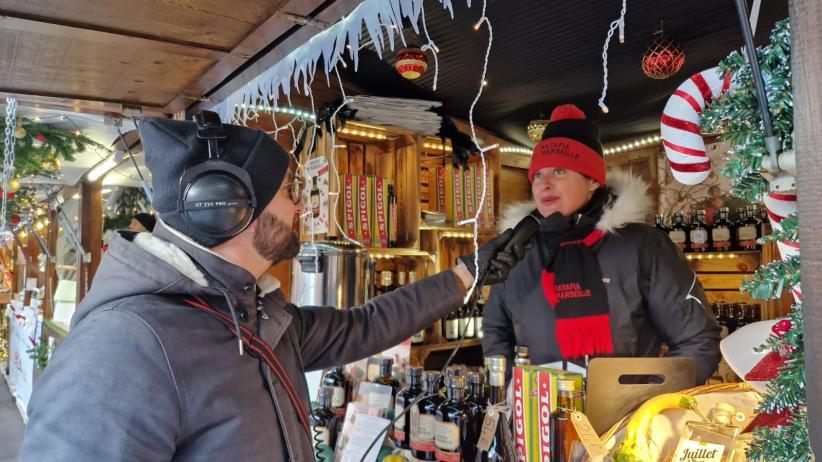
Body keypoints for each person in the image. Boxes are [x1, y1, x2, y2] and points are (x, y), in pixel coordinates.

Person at [21, 114, 522, 461]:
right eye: (289, 193)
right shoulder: (121, 348)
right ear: (225, 205)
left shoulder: (253, 312)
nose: (301, 208)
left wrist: (466, 274)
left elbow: (364, 326)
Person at [481, 104, 721, 384]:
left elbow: (698, 340)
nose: (543, 183)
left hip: (624, 421)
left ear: (593, 179)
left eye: (559, 171)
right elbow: (496, 332)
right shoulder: (517, 251)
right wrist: (513, 395)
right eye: (537, 174)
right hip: (538, 417)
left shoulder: (642, 245)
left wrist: (647, 408)